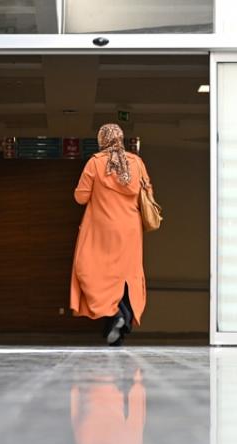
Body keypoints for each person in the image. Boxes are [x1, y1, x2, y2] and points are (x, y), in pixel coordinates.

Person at [71, 124, 151, 346]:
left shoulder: (95, 163)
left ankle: (116, 313)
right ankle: (121, 323)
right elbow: (147, 193)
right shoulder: (137, 163)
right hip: (130, 231)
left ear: (101, 140)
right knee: (125, 277)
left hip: (101, 230)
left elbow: (80, 197)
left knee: (89, 271)